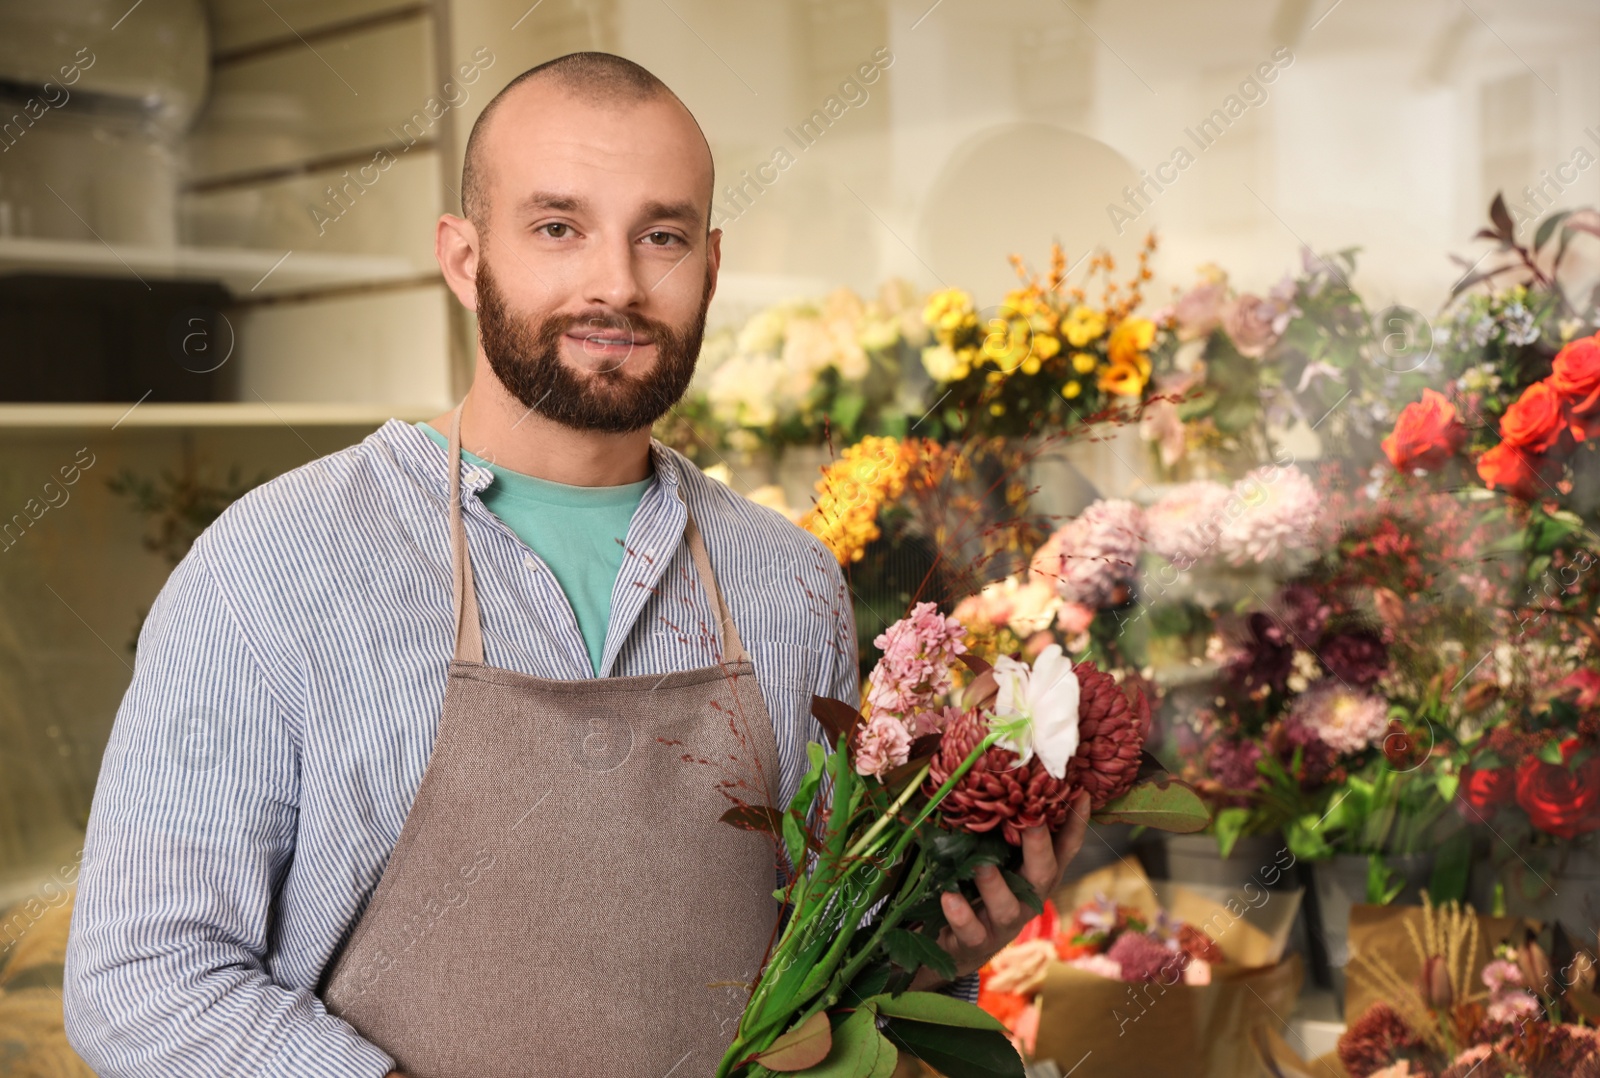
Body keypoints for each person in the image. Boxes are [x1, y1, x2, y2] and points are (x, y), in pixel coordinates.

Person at [62, 51, 1089, 1076]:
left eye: (663, 236)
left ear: (712, 265)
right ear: (465, 259)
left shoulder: (787, 583)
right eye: (558, 227)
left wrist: (939, 949)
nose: (616, 283)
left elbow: (824, 991)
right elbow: (142, 980)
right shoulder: (277, 564)